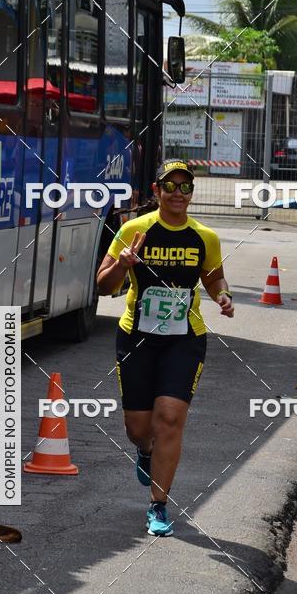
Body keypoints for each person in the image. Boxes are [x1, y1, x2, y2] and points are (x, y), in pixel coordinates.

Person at [96, 160, 234, 537]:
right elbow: (103, 286)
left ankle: (159, 505)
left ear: (192, 192)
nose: (177, 193)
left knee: (170, 418)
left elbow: (213, 275)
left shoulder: (205, 237)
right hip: (137, 338)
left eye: (185, 187)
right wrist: (122, 266)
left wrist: (222, 296)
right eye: (169, 186)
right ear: (156, 191)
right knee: (139, 427)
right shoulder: (133, 230)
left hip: (185, 340)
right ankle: (144, 450)